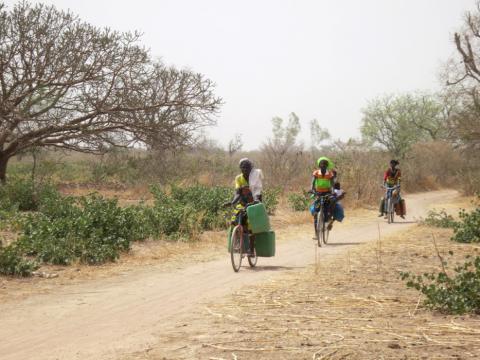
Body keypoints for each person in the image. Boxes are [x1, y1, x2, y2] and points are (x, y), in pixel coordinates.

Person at [224, 158, 263, 256]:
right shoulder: (238, 178)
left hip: (254, 202)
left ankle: (251, 249)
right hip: (242, 202)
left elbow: (258, 191)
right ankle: (237, 242)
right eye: (243, 168)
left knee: (251, 225)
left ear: (251, 168)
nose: (245, 170)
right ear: (240, 168)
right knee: (234, 220)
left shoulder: (255, 176)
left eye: (247, 168)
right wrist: (232, 202)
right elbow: (238, 193)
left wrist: (256, 201)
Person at [310, 157, 343, 234]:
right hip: (318, 192)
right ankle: (316, 233)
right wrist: (312, 190)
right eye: (322, 165)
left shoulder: (330, 174)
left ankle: (328, 220)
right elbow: (313, 182)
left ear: (326, 166)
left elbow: (332, 185)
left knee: (328, 207)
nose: (323, 167)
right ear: (319, 166)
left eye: (324, 166)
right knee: (315, 211)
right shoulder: (316, 173)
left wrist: (332, 192)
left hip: (327, 192)